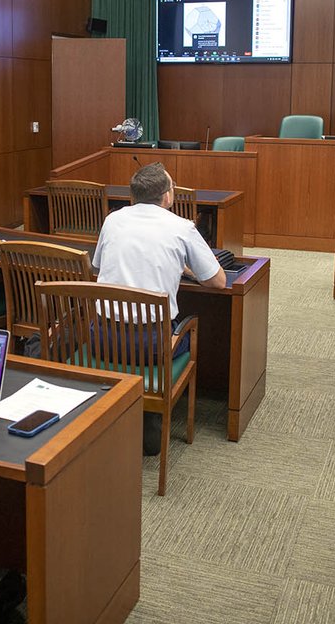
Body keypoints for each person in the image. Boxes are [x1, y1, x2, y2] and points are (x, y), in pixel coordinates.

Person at [93, 163, 224, 454]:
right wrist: (187, 269)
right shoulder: (181, 227)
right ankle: (151, 415)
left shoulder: (112, 220)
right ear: (167, 196)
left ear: (133, 196)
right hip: (152, 347)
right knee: (189, 328)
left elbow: (98, 266)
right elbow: (218, 281)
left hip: (103, 341)